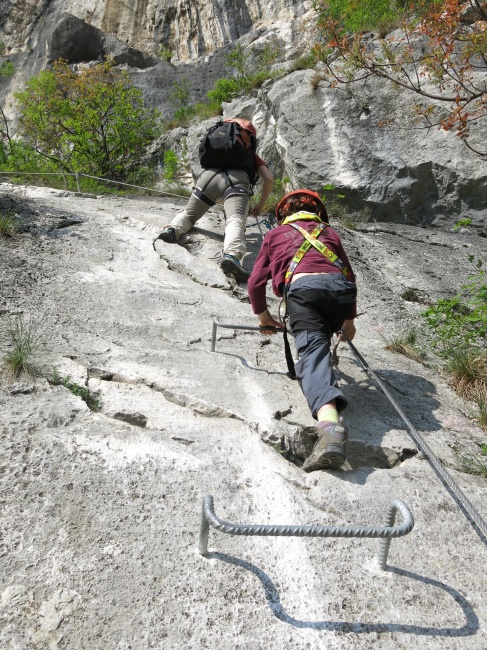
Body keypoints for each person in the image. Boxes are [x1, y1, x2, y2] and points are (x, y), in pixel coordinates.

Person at [247, 189, 357, 472]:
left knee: (311, 353)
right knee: (317, 343)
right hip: (340, 294)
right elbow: (348, 274)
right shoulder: (329, 233)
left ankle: (331, 429)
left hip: (305, 293)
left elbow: (255, 282)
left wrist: (264, 317)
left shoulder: (274, 235)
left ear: (283, 214)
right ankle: (321, 359)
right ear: (318, 213)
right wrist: (348, 322)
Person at [157, 117, 273, 284]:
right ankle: (231, 256)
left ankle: (172, 230)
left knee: (190, 214)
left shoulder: (217, 145)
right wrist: (260, 205)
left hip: (208, 178)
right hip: (237, 180)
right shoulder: (251, 156)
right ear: (248, 139)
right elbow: (268, 178)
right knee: (235, 219)